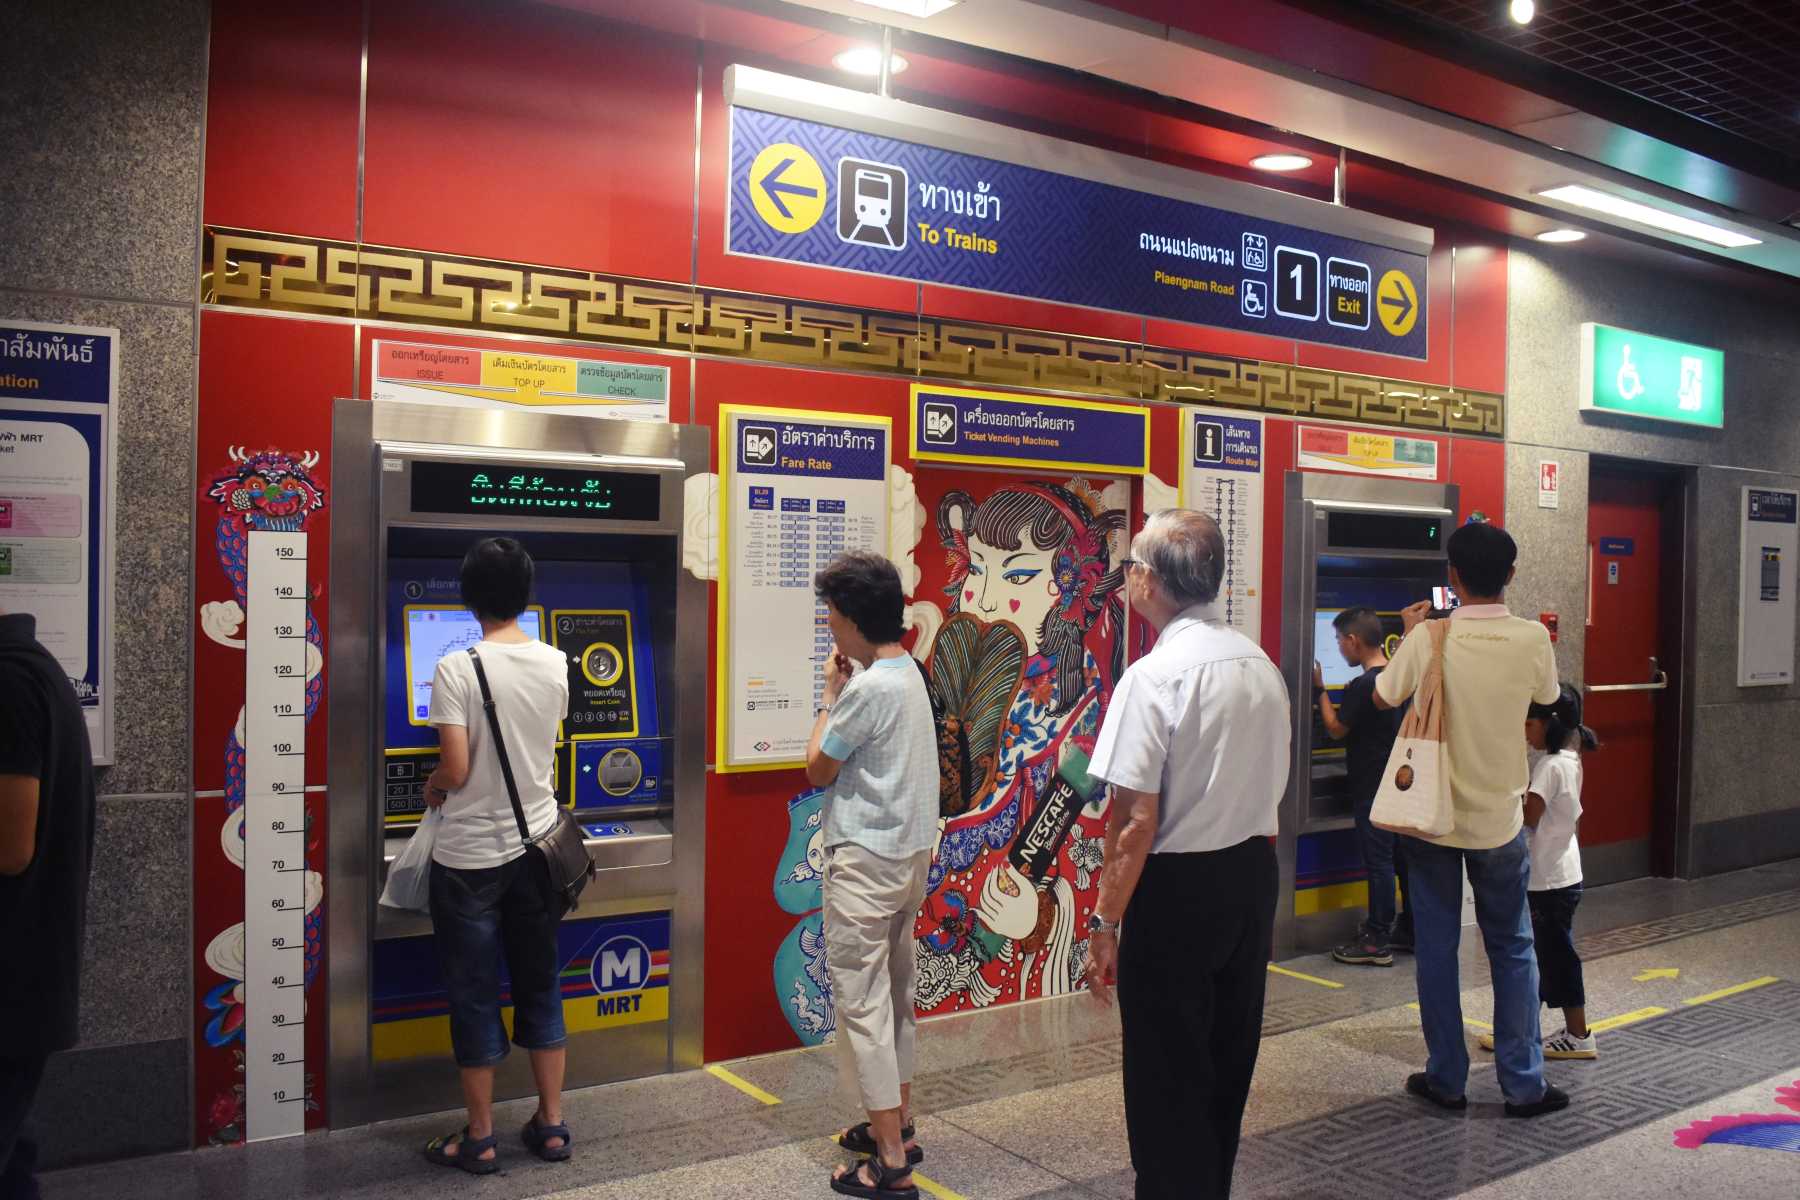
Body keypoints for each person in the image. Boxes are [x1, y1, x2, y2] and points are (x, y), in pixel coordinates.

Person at [1082, 510, 1291, 1199]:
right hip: (1251, 877)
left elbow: (1135, 820)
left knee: (1167, 1074)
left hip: (1175, 892)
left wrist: (1106, 922)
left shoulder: (1154, 677)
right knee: (1227, 1062)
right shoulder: (1259, 663)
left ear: (1146, 580)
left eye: (1129, 568)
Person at [1374, 521, 1569, 1118]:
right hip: (1501, 821)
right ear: (1510, 575)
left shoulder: (1431, 636)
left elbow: (1383, 696)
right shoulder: (1534, 638)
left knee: (1436, 948)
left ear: (1452, 576)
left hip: (1432, 820)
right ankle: (1524, 1084)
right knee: (1513, 946)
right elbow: (1549, 697)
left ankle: (1448, 1079)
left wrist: (1407, 639)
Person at [420, 538, 573, 1173]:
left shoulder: (457, 668)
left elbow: (455, 768)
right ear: (526, 592)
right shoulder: (559, 662)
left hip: (469, 862)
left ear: (468, 596)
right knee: (540, 984)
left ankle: (480, 1136)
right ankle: (552, 1124)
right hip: (536, 852)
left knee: (476, 993)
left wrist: (432, 786)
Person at [806, 552, 938, 1200]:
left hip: (865, 868)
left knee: (863, 1010)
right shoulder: (907, 672)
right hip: (909, 862)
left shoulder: (865, 690)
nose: (829, 625)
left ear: (854, 618)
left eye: (832, 613)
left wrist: (827, 699)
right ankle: (900, 1125)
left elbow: (818, 768)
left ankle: (889, 1161)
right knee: (895, 1002)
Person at [0, 609, 97, 1200]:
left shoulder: (9, 683)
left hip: (13, 966)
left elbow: (10, 848)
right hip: (28, 971)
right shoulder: (34, 669)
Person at [1483, 685, 1599, 1061]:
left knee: (1552, 957)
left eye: (1529, 723)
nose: (1525, 732)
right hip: (1560, 872)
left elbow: (1529, 817)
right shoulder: (1569, 758)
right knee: (1540, 956)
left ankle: (1578, 1034)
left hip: (1548, 880)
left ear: (1548, 724)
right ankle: (1520, 1030)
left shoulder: (1550, 768)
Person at [1315, 607, 1412, 966]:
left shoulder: (1364, 685)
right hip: (1401, 782)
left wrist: (1320, 690)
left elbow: (1336, 729)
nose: (1339, 648)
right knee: (1401, 859)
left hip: (1372, 784)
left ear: (1354, 641)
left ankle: (1377, 938)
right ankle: (1409, 929)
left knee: (1379, 862)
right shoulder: (1398, 677)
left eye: (1339, 641)